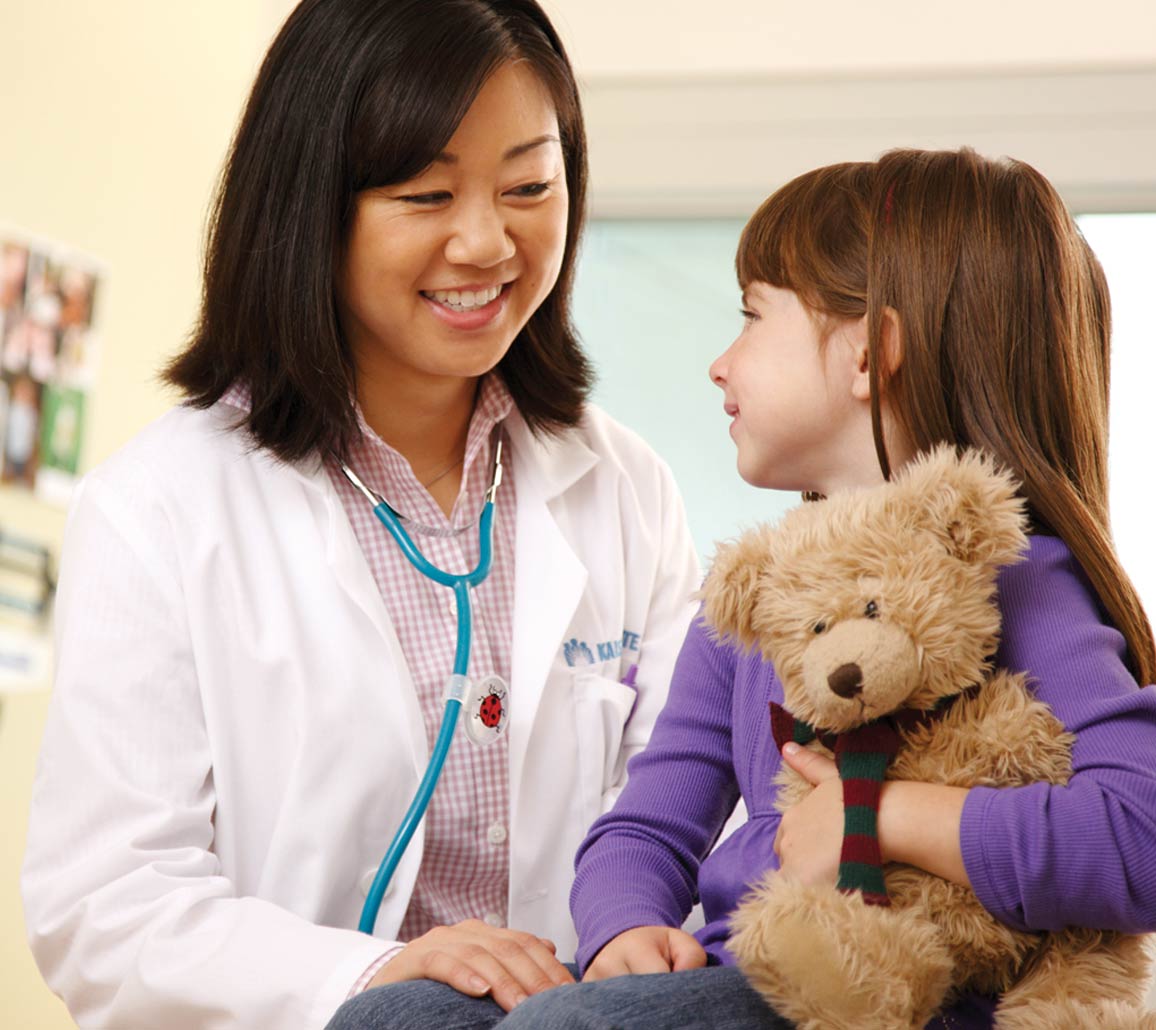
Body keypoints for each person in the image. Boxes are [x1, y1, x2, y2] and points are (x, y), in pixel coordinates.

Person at [20, 2, 700, 1028]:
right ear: (310, 207)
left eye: (529, 185)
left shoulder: (624, 489)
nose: (486, 240)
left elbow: (686, 809)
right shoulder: (160, 506)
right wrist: (365, 973)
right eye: (426, 193)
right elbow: (106, 907)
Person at [400, 149, 1156, 1029]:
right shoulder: (759, 604)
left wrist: (882, 817)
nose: (721, 364)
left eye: (753, 317)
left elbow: (1137, 834)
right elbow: (647, 827)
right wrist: (625, 928)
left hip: (919, 998)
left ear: (871, 353)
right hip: (755, 970)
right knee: (404, 1015)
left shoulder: (1017, 580)